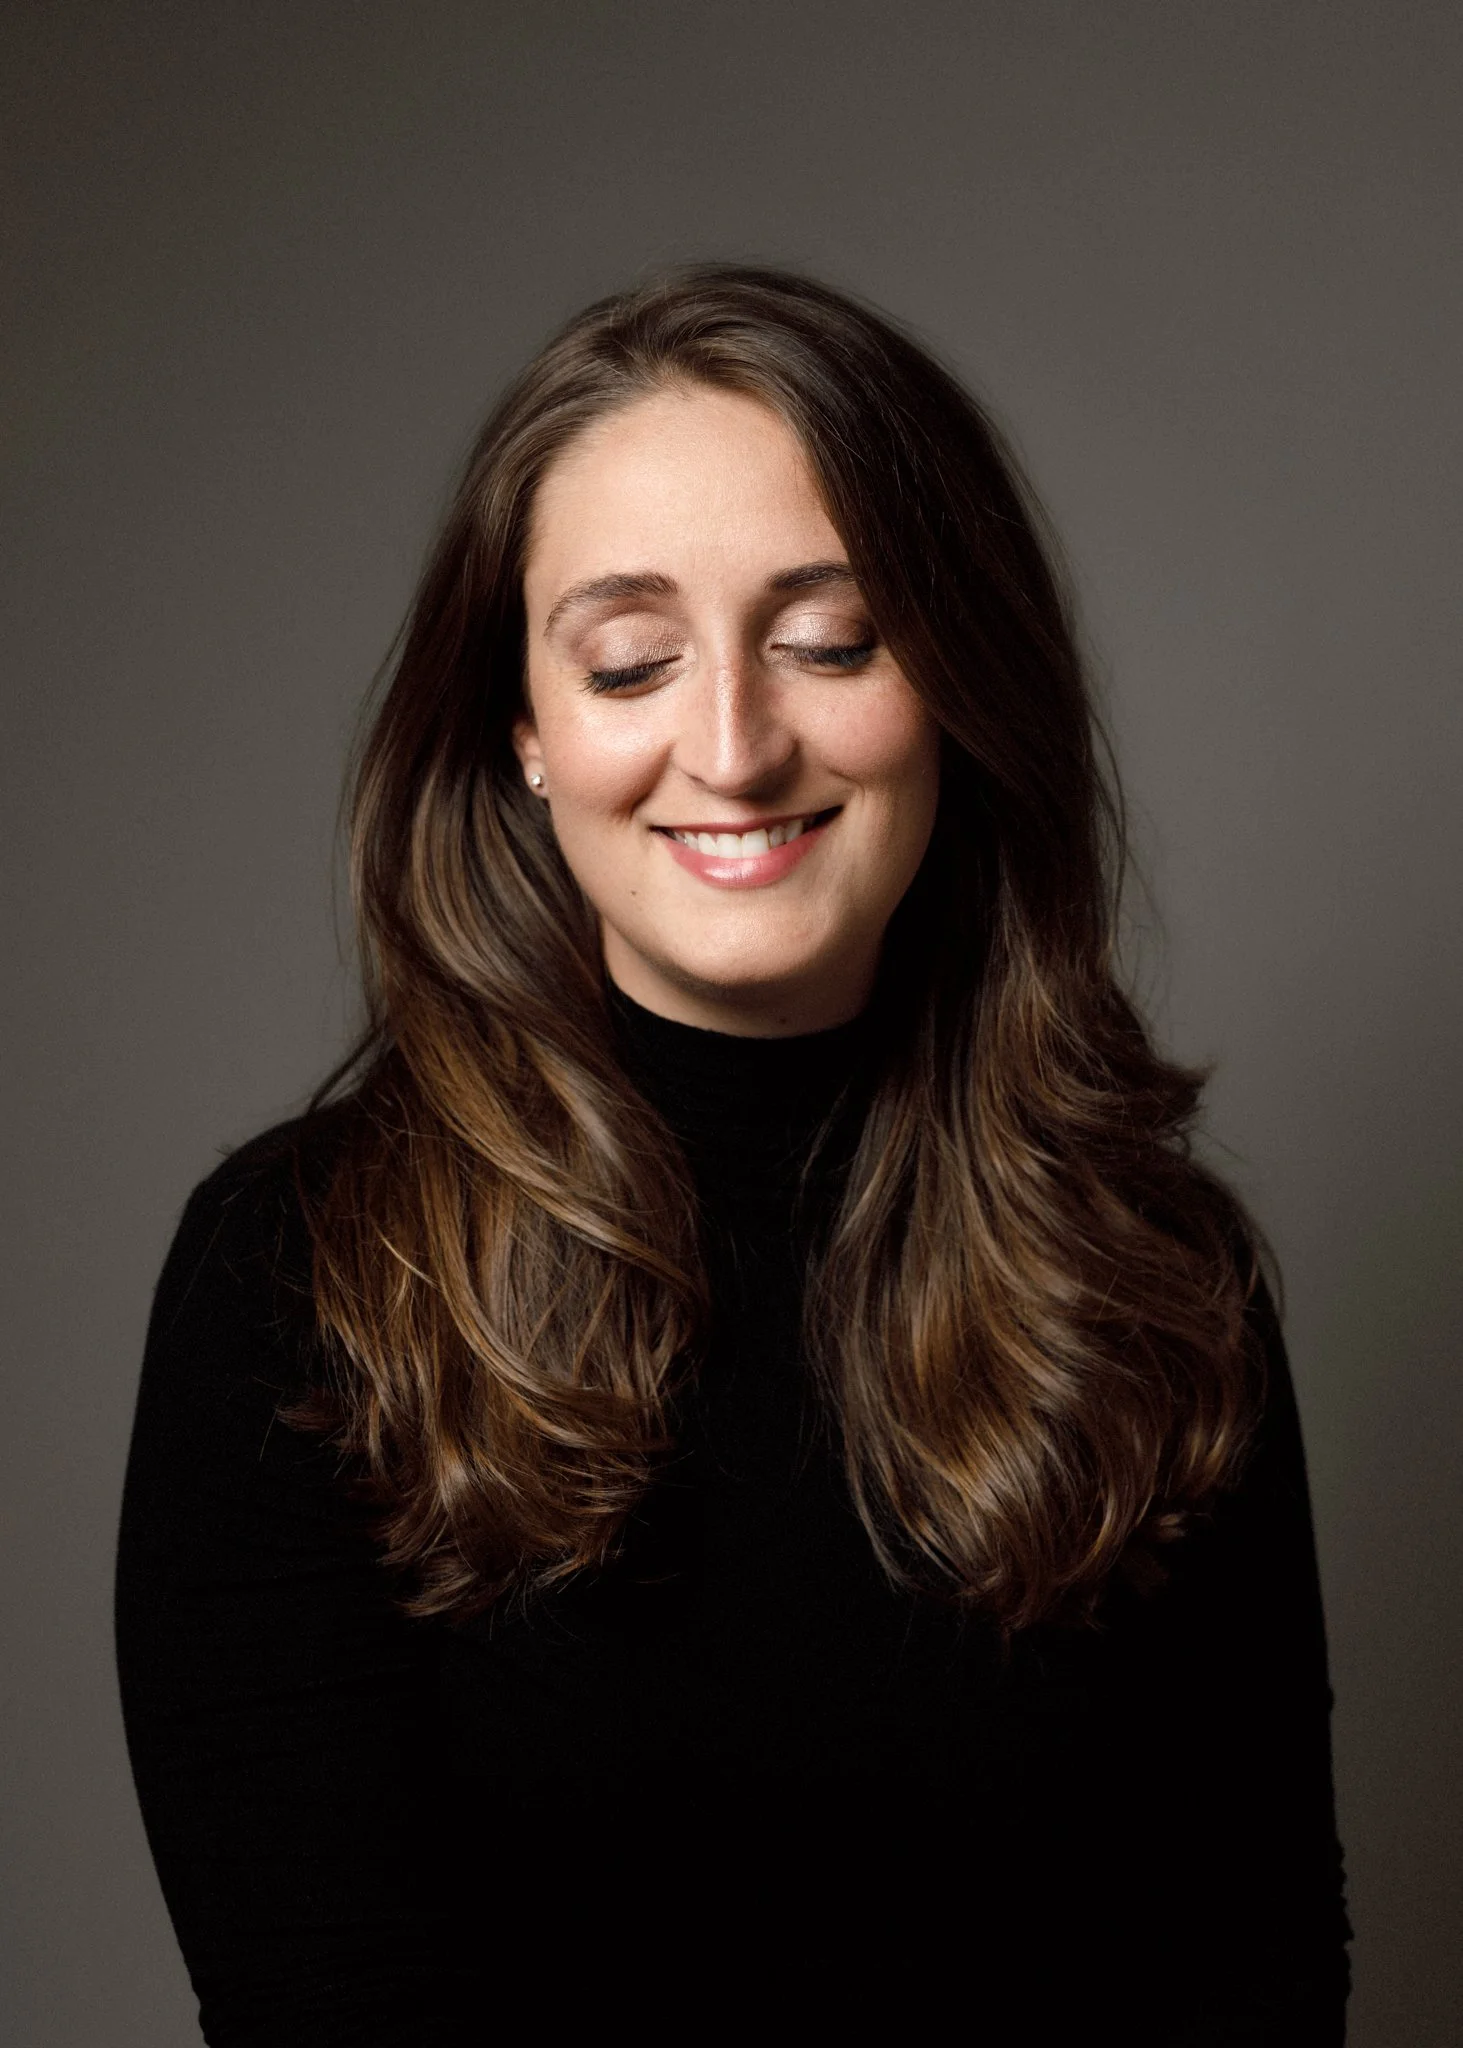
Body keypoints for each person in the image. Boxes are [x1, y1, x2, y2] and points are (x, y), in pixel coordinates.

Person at [115, 265, 1350, 2044]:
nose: (732, 749)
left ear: (958, 682)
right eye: (629, 661)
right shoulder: (297, 1274)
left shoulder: (1159, 1277)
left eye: (829, 641)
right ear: (524, 731)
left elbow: (1257, 1972)